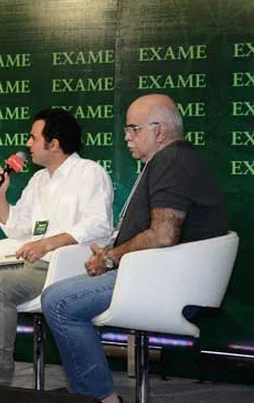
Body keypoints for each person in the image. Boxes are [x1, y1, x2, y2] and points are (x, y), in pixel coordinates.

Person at [41, 94, 228, 403]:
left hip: (166, 282)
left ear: (160, 131)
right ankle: (88, 391)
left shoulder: (172, 160)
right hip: (156, 274)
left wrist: (112, 257)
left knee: (60, 301)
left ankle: (99, 397)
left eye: (133, 129)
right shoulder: (169, 161)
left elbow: (163, 235)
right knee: (61, 294)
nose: (126, 137)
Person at [0, 108, 114, 402]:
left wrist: (47, 243)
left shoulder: (90, 173)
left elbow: (98, 225)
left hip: (62, 269)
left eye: (33, 138)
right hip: (26, 265)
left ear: (54, 143)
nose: (28, 144)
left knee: (0, 285)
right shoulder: (39, 180)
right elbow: (18, 229)